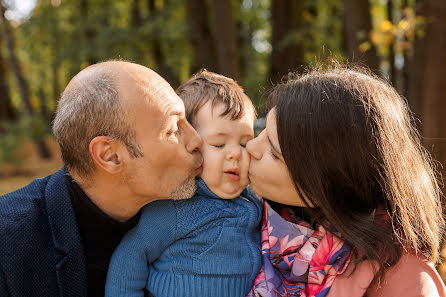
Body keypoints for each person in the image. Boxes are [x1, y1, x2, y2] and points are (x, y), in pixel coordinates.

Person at [0, 61, 203, 297]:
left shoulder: (210, 210)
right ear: (110, 156)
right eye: (173, 130)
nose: (197, 139)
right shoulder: (8, 247)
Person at [246, 66, 446, 297]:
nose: (251, 147)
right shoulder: (256, 219)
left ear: (329, 179)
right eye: (261, 132)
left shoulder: (403, 280)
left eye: (273, 152)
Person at [105, 70, 262, 297]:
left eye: (245, 143)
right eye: (219, 144)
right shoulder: (176, 207)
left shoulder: (256, 200)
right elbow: (130, 256)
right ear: (191, 146)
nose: (236, 154)